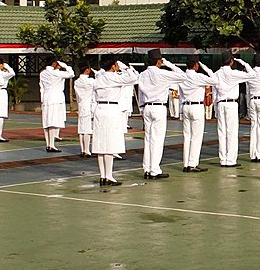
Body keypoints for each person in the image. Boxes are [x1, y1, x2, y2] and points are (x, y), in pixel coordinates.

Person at [137, 50, 190, 179]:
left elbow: (140, 93)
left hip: (147, 107)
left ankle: (147, 168)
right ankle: (155, 169)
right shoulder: (162, 73)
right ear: (159, 61)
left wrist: (141, 108)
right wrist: (170, 65)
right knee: (157, 140)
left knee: (148, 139)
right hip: (158, 107)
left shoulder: (142, 74)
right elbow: (183, 76)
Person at [92, 57, 140, 185]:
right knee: (109, 144)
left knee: (100, 144)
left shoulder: (99, 78)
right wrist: (126, 68)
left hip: (99, 109)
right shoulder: (113, 77)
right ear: (113, 66)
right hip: (111, 109)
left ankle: (103, 176)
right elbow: (135, 78)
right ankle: (109, 176)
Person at [213, 53, 256, 167]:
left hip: (221, 103)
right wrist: (243, 63)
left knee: (222, 133)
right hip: (231, 104)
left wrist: (215, 108)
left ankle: (223, 159)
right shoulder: (234, 73)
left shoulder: (216, 74)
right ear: (231, 61)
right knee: (231, 132)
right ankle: (231, 160)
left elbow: (214, 93)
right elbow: (252, 74)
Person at [179, 57, 219, 172]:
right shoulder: (199, 76)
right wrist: (205, 67)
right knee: (196, 136)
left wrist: (181, 110)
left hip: (186, 106)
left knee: (187, 136)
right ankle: (193, 164)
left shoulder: (182, 76)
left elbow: (181, 94)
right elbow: (215, 80)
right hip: (196, 107)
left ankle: (186, 163)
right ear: (196, 65)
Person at [39, 57, 75, 152]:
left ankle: (48, 144)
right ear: (54, 63)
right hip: (55, 98)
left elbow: (41, 87)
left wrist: (42, 98)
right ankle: (51, 145)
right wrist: (64, 65)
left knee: (47, 122)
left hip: (46, 98)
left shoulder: (42, 73)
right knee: (53, 122)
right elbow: (72, 74)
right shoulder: (56, 73)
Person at [74, 60, 96, 158]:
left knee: (81, 128)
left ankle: (83, 149)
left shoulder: (77, 81)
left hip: (81, 105)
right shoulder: (90, 81)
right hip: (88, 106)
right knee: (87, 129)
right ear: (87, 70)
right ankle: (87, 150)